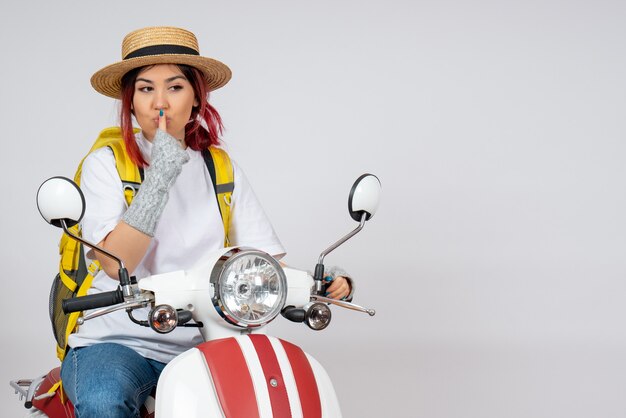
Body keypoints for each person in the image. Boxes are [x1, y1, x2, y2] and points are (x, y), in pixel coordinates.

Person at [59, 26, 353, 417]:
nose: (159, 102)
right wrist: (160, 174)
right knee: (104, 400)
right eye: (146, 89)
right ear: (130, 101)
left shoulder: (219, 168)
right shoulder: (107, 163)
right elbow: (116, 264)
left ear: (197, 96)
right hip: (119, 341)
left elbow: (262, 261)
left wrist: (321, 282)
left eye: (175, 87)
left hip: (205, 340)